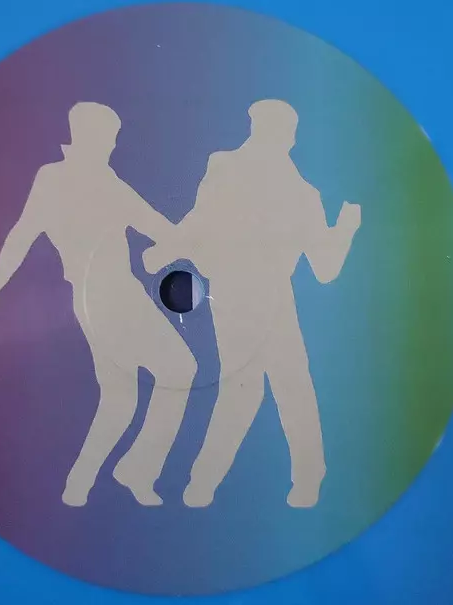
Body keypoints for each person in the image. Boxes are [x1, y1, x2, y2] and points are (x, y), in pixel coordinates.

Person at [143, 99, 361, 508]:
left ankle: (207, 484)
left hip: (252, 294)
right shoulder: (293, 189)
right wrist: (345, 229)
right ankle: (231, 482)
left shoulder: (270, 181)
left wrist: (167, 249)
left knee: (254, 390)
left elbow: (199, 222)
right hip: (249, 294)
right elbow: (327, 268)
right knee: (269, 389)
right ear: (288, 137)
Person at [0, 102, 197, 507]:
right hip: (103, 298)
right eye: (108, 138)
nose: (112, 145)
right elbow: (23, 234)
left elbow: (155, 225)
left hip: (120, 293)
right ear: (88, 136)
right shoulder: (64, 180)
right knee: (155, 381)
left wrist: (185, 240)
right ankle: (124, 472)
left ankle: (94, 479)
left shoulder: (104, 181)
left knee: (132, 394)